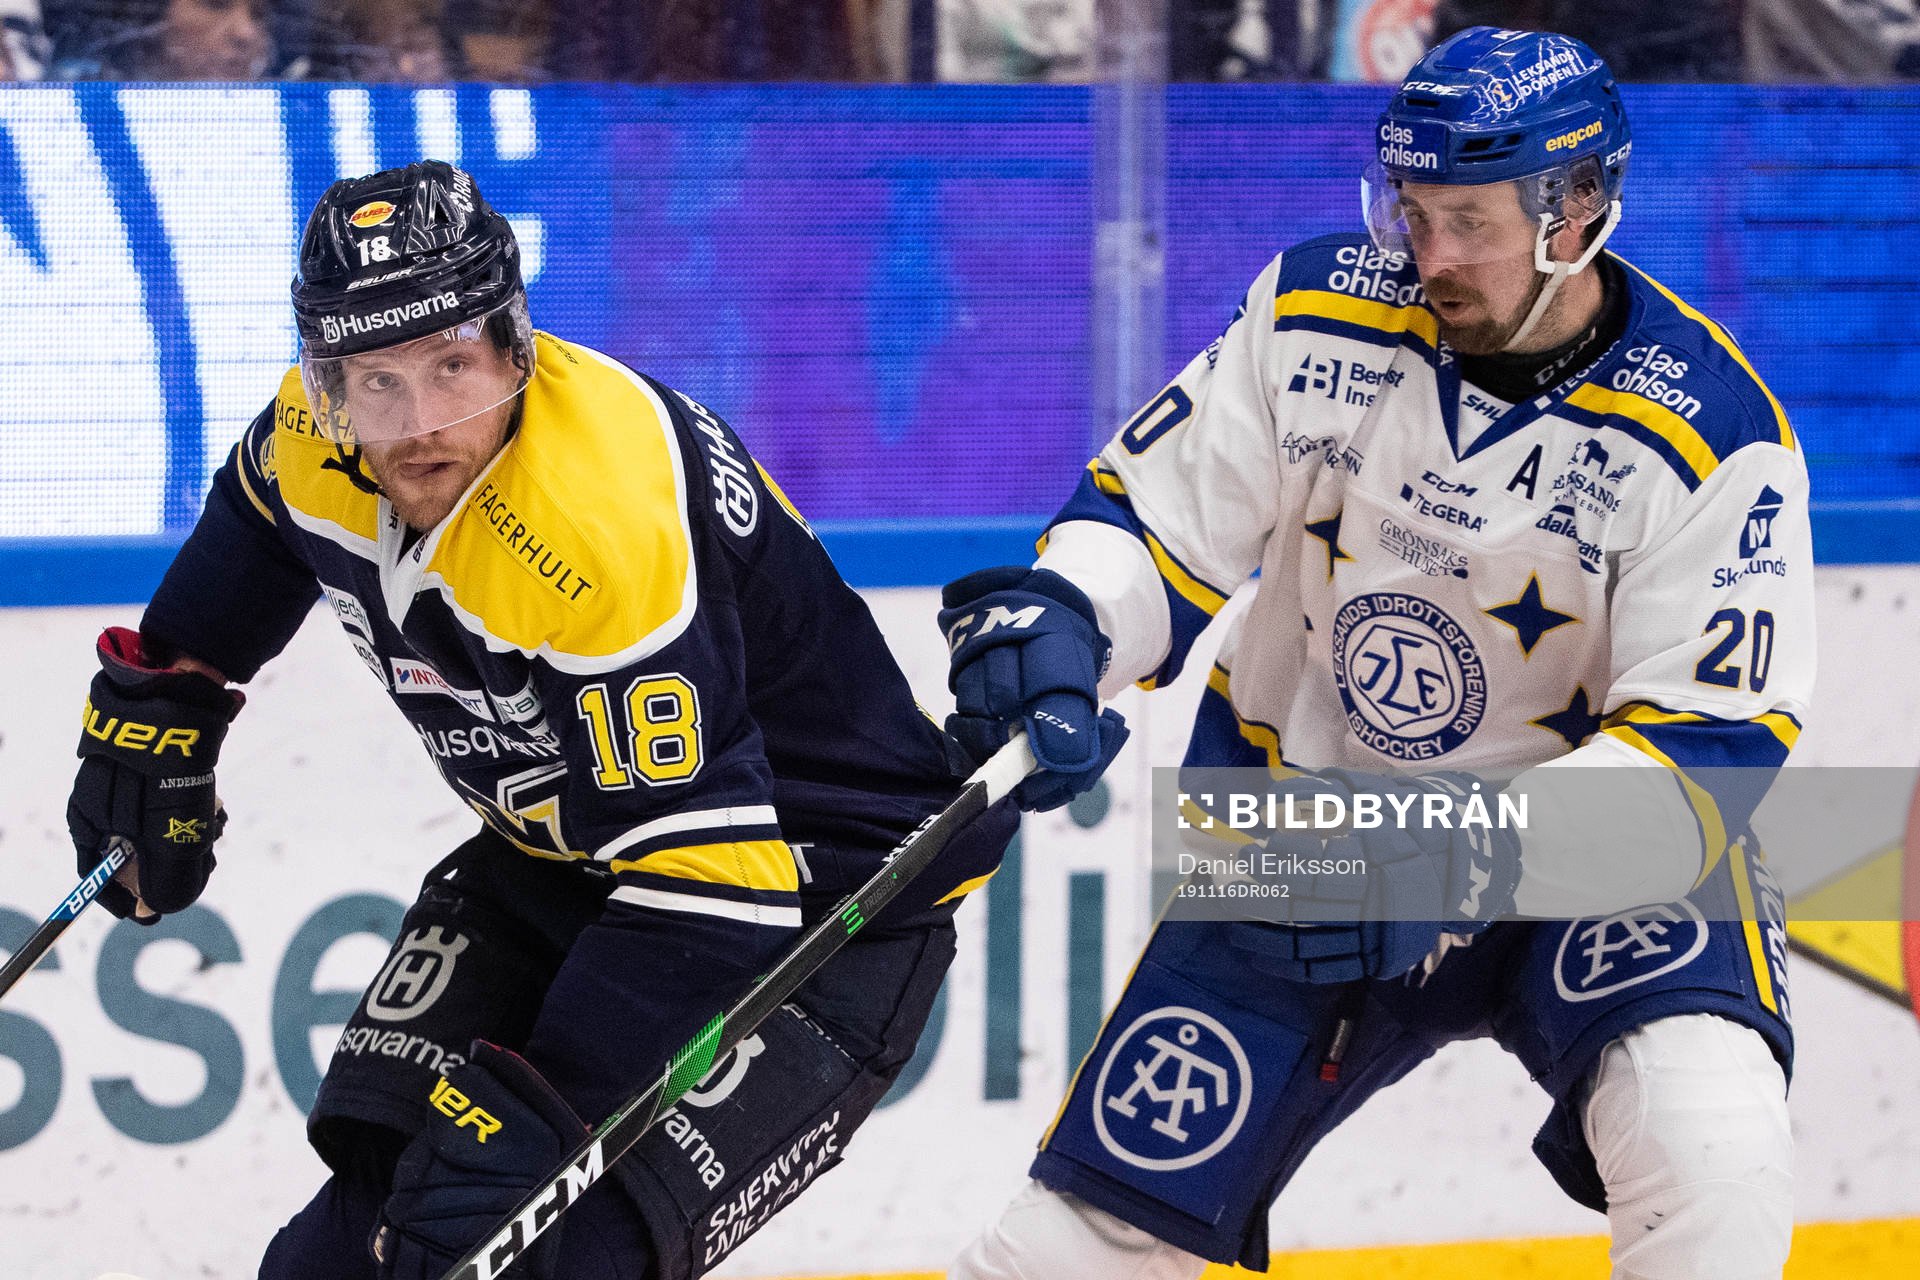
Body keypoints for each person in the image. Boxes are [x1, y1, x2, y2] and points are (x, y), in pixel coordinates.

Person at [943, 26, 1808, 1280]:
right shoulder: (1314, 309)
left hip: (1591, 860)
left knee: (1711, 1140)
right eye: (1411, 211)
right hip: (1311, 835)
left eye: (1469, 218)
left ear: (1578, 208)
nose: (1431, 254)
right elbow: (1152, 518)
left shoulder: (1713, 431)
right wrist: (1068, 620)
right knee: (1071, 1247)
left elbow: (1709, 757)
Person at [63, 159, 1015, 1279]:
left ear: (515, 345)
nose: (418, 426)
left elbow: (717, 888)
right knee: (342, 1251)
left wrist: (540, 1112)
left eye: (452, 368)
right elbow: (261, 520)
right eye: (376, 381)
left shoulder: (594, 527)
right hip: (570, 853)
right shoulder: (311, 440)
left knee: (530, 1258)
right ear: (327, 382)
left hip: (808, 900)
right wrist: (168, 703)